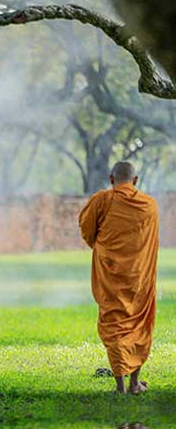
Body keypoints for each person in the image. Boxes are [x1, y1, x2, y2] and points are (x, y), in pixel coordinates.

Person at [79, 162, 159, 394]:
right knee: (137, 324)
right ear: (135, 180)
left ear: (111, 178)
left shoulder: (102, 200)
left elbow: (86, 229)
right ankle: (134, 383)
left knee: (114, 323)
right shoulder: (150, 205)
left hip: (111, 274)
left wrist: (104, 247)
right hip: (139, 276)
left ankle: (121, 386)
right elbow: (150, 243)